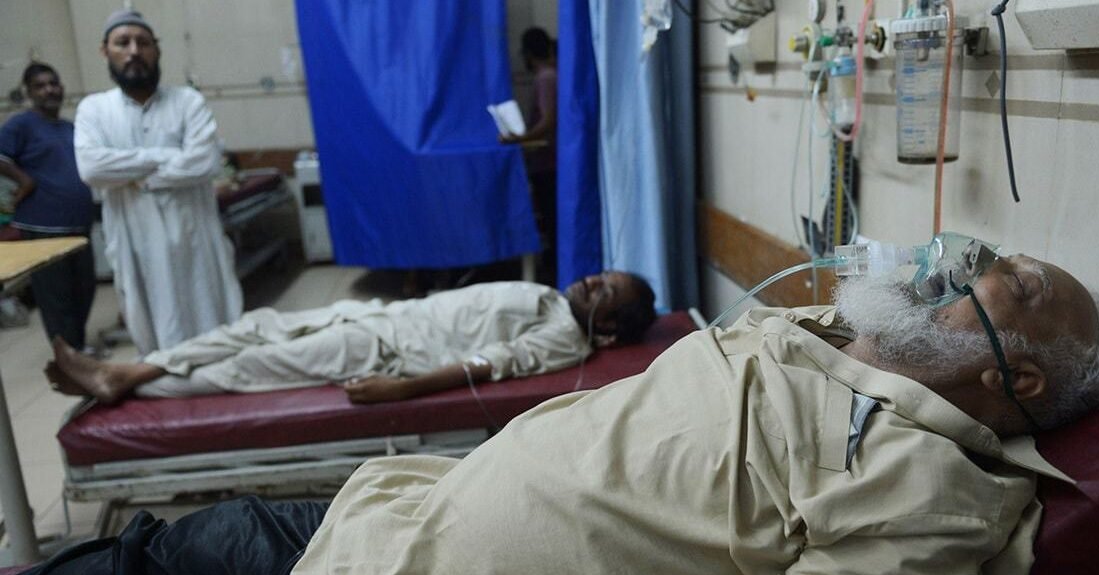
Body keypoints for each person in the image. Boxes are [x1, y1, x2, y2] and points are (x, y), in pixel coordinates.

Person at [1, 252, 1099, 575]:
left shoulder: (928, 490)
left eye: (1008, 282)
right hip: (389, 515)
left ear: (1014, 375)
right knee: (144, 557)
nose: (966, 262)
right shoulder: (822, 337)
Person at [44, 271, 657, 405]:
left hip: (385, 351)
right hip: (380, 318)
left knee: (254, 364)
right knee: (252, 326)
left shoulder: (565, 338)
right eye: (603, 274)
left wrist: (402, 389)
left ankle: (126, 386)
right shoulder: (550, 297)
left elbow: (488, 362)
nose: (594, 280)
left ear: (607, 328)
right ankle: (128, 372)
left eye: (607, 291)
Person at [73, 9, 242, 355]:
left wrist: (136, 178)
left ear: (157, 49)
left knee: (214, 330)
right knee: (156, 343)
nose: (134, 51)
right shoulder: (94, 109)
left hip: (196, 241)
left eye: (143, 42)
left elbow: (203, 162)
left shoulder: (188, 102)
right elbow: (92, 168)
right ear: (105, 51)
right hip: (136, 246)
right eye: (123, 43)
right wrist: (164, 156)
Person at [0, 62, 97, 350]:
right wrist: (24, 180)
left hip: (78, 223)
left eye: (53, 83)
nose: (49, 90)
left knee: (84, 289)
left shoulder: (69, 128)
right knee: (56, 297)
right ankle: (68, 356)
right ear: (29, 92)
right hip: (44, 226)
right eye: (40, 86)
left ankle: (76, 350)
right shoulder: (21, 124)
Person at [502, 27, 558, 286]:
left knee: (550, 219)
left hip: (548, 162)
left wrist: (519, 138)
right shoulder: (552, 76)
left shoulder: (545, 78)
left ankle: (554, 273)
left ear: (527, 53)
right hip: (549, 161)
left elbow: (548, 121)